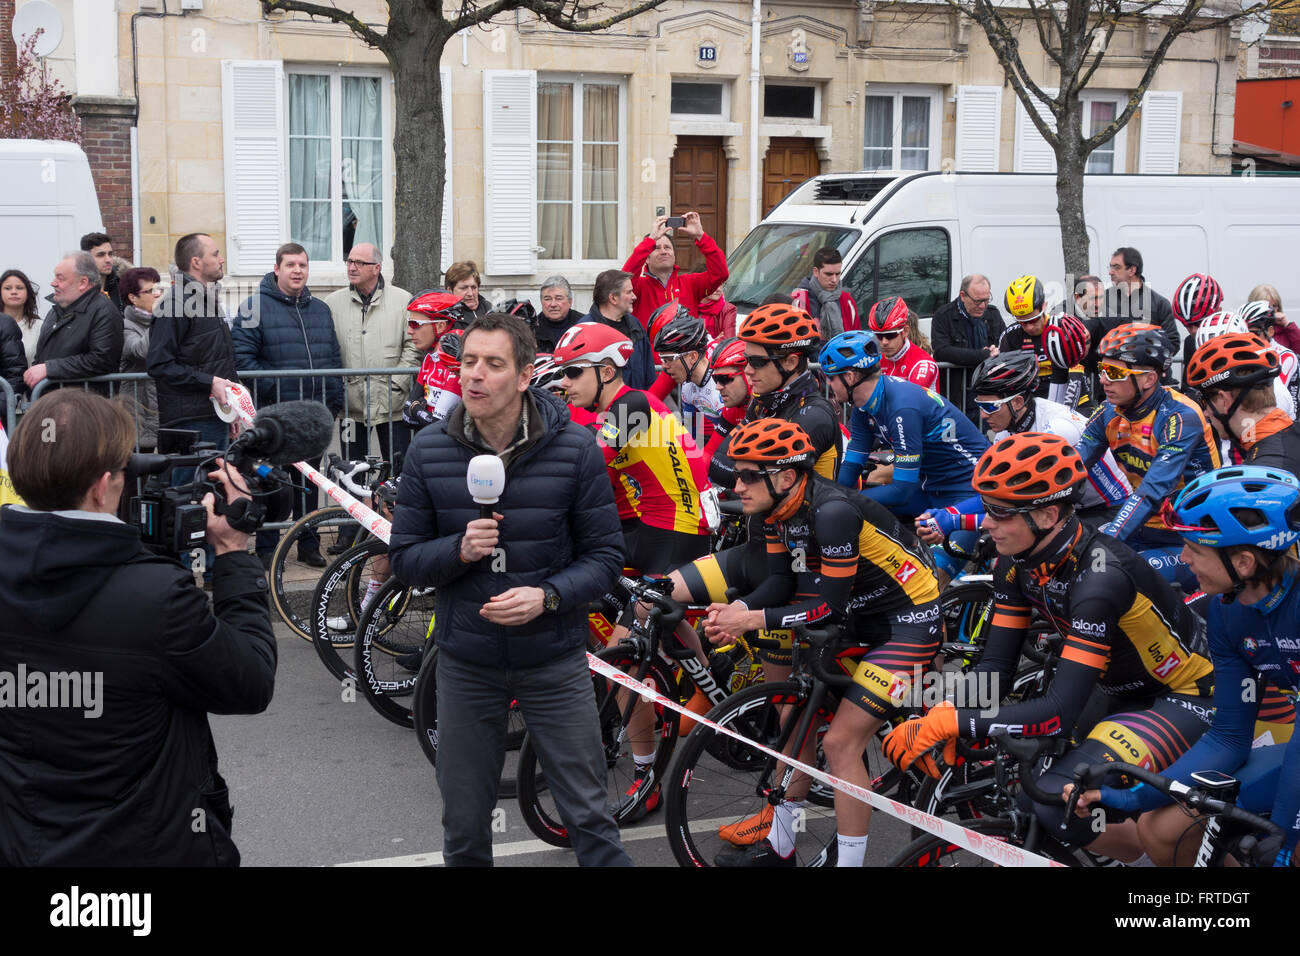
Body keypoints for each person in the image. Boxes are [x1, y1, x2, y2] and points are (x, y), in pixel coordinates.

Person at [883, 432, 1216, 864]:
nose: (985, 523)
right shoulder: (1014, 563)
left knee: (1053, 800)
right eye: (985, 508)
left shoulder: (1100, 577)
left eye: (1000, 512)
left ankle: (1156, 846)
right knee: (1030, 800)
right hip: (1117, 687)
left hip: (1184, 695)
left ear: (1047, 514)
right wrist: (941, 711)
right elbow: (997, 668)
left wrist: (957, 723)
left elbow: (1056, 710)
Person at [388, 311, 631, 867]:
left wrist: (545, 597)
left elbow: (605, 558)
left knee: (590, 817)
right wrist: (458, 550)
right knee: (464, 822)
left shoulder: (574, 449)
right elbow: (404, 561)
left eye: (493, 364)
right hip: (466, 662)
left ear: (524, 376)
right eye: (468, 361)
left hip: (554, 660)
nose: (474, 375)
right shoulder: (428, 450)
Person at [0, 390, 276, 865]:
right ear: (101, 486)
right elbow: (249, 682)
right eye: (126, 472)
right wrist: (233, 556)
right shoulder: (157, 599)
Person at [703, 419, 942, 867]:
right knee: (796, 720)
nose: (738, 484)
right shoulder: (776, 510)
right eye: (738, 473)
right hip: (858, 612)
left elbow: (827, 606)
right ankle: (781, 845)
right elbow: (779, 582)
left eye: (749, 475)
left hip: (906, 621)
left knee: (838, 744)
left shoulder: (831, 512)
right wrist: (737, 612)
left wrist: (751, 617)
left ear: (787, 476)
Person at [1072, 466, 1300, 868]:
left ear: (1244, 563)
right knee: (1163, 830)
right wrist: (1135, 797)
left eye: (1195, 548)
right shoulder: (1230, 614)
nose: (1183, 558)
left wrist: (1284, 836)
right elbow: (1229, 736)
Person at [915, 350, 1131, 547]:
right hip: (1065, 509)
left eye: (990, 407)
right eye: (979, 406)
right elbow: (998, 494)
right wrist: (948, 513)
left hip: (1108, 509)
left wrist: (955, 520)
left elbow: (1028, 510)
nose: (983, 415)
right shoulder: (1005, 432)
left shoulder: (1057, 429)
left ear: (1017, 402)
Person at [824, 329, 989, 580]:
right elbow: (852, 465)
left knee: (930, 582)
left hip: (969, 491)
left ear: (849, 376)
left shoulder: (902, 407)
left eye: (830, 378)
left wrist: (847, 500)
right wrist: (832, 500)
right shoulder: (863, 406)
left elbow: (902, 489)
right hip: (930, 490)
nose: (828, 385)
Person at [554, 321, 711, 575]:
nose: (564, 382)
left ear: (606, 372)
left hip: (678, 533)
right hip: (650, 528)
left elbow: (589, 459)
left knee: (644, 610)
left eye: (572, 372)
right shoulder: (617, 409)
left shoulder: (634, 404)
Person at [1076, 322, 1221, 587]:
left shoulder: (1180, 416)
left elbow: (1151, 491)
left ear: (1149, 378)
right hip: (1142, 528)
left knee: (1116, 579)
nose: (1104, 380)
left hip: (1190, 539)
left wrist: (1111, 538)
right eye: (1102, 369)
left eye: (1114, 372)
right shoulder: (1110, 411)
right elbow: (1073, 464)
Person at [232, 242, 344, 569]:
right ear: (277, 268)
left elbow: (334, 360)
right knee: (273, 485)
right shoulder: (254, 307)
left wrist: (333, 401)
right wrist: (275, 391)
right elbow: (243, 361)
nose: (297, 271)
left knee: (310, 485)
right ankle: (268, 549)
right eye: (291, 265)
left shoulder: (321, 309)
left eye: (303, 265)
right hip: (276, 417)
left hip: (314, 416)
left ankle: (308, 544)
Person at [147, 233, 239, 481]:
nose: (222, 260)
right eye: (216, 254)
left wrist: (230, 409)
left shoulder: (206, 300)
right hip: (189, 423)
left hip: (212, 416)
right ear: (196, 262)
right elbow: (159, 364)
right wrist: (209, 382)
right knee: (187, 504)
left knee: (208, 503)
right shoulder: (174, 303)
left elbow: (217, 359)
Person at [325, 242, 417, 469]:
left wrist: (396, 383)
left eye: (359, 262)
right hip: (351, 409)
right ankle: (351, 506)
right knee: (351, 471)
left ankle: (390, 506)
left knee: (398, 469)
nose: (352, 267)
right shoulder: (332, 303)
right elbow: (327, 349)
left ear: (376, 268)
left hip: (392, 406)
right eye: (349, 261)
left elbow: (413, 345)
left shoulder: (403, 300)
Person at [1185, 332, 1300, 473]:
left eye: (1204, 402)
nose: (1206, 413)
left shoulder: (1261, 476)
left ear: (1224, 400)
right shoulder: (1288, 438)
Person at [26, 251, 123, 396]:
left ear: (83, 282)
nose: (53, 283)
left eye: (60, 278)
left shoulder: (104, 311)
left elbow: (101, 360)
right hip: (52, 402)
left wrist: (49, 369)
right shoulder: (56, 310)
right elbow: (42, 355)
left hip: (86, 407)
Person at [997, 275, 1091, 406]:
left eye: (1033, 319)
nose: (1029, 327)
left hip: (1073, 398)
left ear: (1044, 306)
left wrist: (1059, 410)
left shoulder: (1064, 327)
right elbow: (1007, 380)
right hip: (1033, 405)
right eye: (1022, 322)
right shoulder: (1010, 336)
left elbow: (1077, 372)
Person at [622, 212, 728, 328]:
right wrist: (650, 240)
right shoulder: (638, 287)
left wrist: (700, 236)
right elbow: (623, 279)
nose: (663, 251)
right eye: (656, 248)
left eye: (667, 247)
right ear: (647, 258)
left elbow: (721, 273)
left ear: (674, 256)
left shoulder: (690, 283)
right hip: (650, 346)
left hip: (687, 346)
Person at [929, 274, 1007, 419]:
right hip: (956, 395)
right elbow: (941, 351)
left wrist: (997, 351)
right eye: (978, 301)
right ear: (963, 296)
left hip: (986, 393)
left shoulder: (993, 314)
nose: (983, 306)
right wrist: (983, 356)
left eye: (986, 300)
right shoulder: (943, 315)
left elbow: (1005, 344)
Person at [580, 269, 656, 390]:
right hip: (603, 408)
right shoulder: (585, 329)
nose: (634, 297)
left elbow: (649, 375)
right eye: (629, 292)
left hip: (638, 405)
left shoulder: (635, 324)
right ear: (613, 298)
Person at [402, 291, 466, 432]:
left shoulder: (455, 363)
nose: (409, 331)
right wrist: (418, 410)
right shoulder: (429, 358)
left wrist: (417, 407)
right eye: (409, 324)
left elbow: (438, 425)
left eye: (415, 324)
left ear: (440, 326)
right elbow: (406, 415)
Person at [1103, 246, 1178, 357]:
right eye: (1110, 267)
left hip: (1147, 372)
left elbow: (1173, 343)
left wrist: (1144, 354)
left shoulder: (1159, 303)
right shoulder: (1102, 300)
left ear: (1132, 270)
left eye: (1116, 267)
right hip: (1112, 371)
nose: (1110, 272)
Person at [119, 266, 162, 452]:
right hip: (140, 410)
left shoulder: (164, 320)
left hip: (165, 404)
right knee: (138, 472)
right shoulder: (124, 325)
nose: (157, 294)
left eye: (157, 289)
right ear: (133, 298)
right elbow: (140, 351)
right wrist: (157, 318)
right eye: (150, 291)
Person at [1237, 298, 1300, 410]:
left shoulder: (1285, 356)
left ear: (1270, 331)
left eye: (1253, 333)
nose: (1247, 339)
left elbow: (1273, 397)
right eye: (1242, 333)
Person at [867, 295, 937, 389]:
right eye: (879, 336)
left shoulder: (922, 364)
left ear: (905, 332)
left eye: (890, 335)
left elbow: (909, 400)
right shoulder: (877, 360)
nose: (884, 342)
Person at [790, 246, 858, 339]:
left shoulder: (847, 300)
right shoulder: (799, 300)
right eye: (828, 274)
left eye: (838, 274)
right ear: (816, 272)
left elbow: (856, 339)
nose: (834, 280)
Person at [1170, 272, 1224, 379]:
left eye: (1199, 323)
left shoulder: (1235, 338)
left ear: (1218, 311)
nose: (1194, 330)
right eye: (1187, 325)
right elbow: (1188, 386)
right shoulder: (1190, 342)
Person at [533, 275, 585, 353]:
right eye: (547, 299)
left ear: (570, 302)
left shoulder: (584, 325)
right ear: (541, 302)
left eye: (558, 298)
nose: (553, 304)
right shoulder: (532, 329)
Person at [80, 231, 129, 312]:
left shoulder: (123, 284)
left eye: (110, 254)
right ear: (86, 258)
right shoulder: (76, 288)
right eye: (100, 255)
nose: (108, 260)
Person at [1, 268, 41, 365]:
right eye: (7, 288)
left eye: (19, 288)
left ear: (28, 292)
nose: (14, 292)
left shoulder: (40, 327)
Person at [1248, 282, 1300, 355]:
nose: (1271, 310)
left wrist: (1287, 324)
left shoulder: (1285, 329)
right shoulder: (1247, 329)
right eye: (1267, 307)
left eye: (1274, 306)